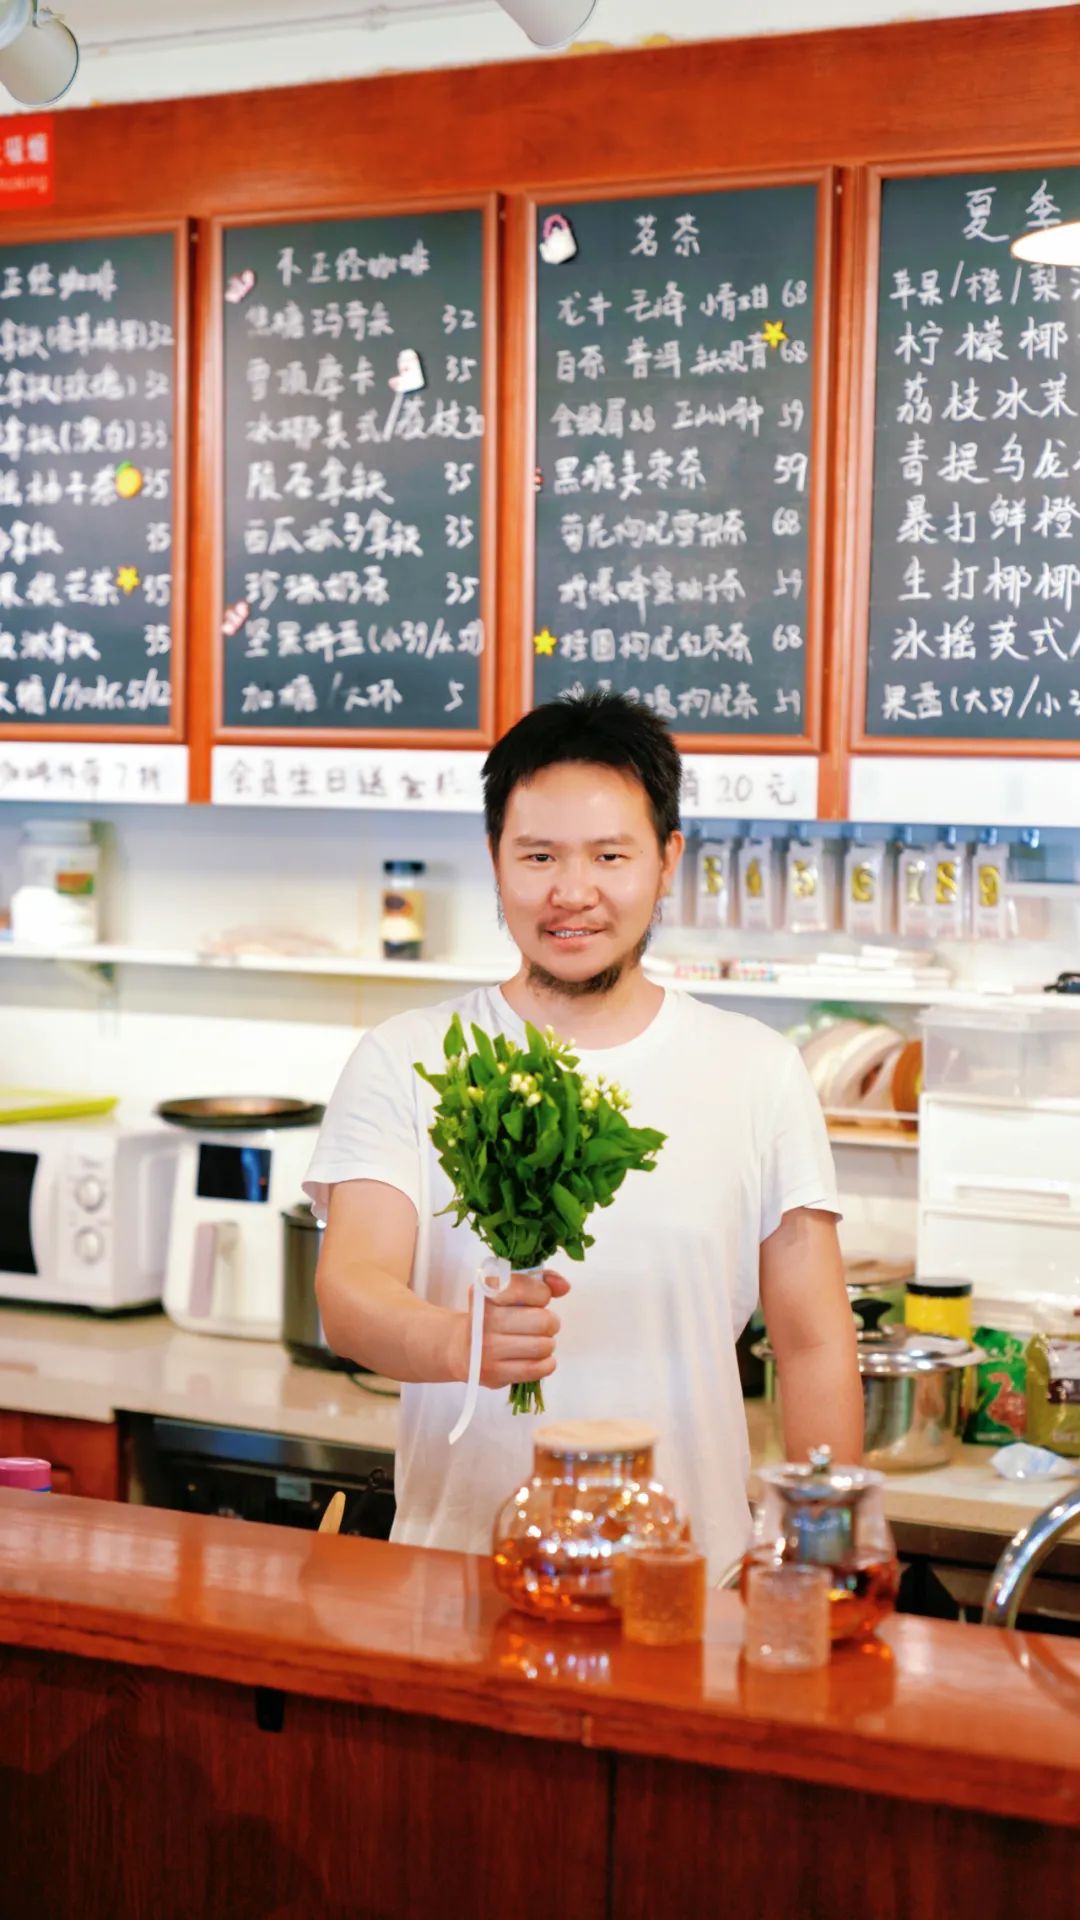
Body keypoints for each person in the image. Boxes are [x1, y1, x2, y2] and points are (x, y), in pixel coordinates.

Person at [306, 692, 862, 1576]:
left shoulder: (756, 1068)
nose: (573, 892)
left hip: (687, 1589)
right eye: (537, 856)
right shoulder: (406, 1059)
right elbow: (350, 1295)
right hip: (459, 1579)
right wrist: (461, 1343)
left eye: (610, 855)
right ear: (495, 860)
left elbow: (813, 1343)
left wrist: (826, 1550)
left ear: (667, 859)